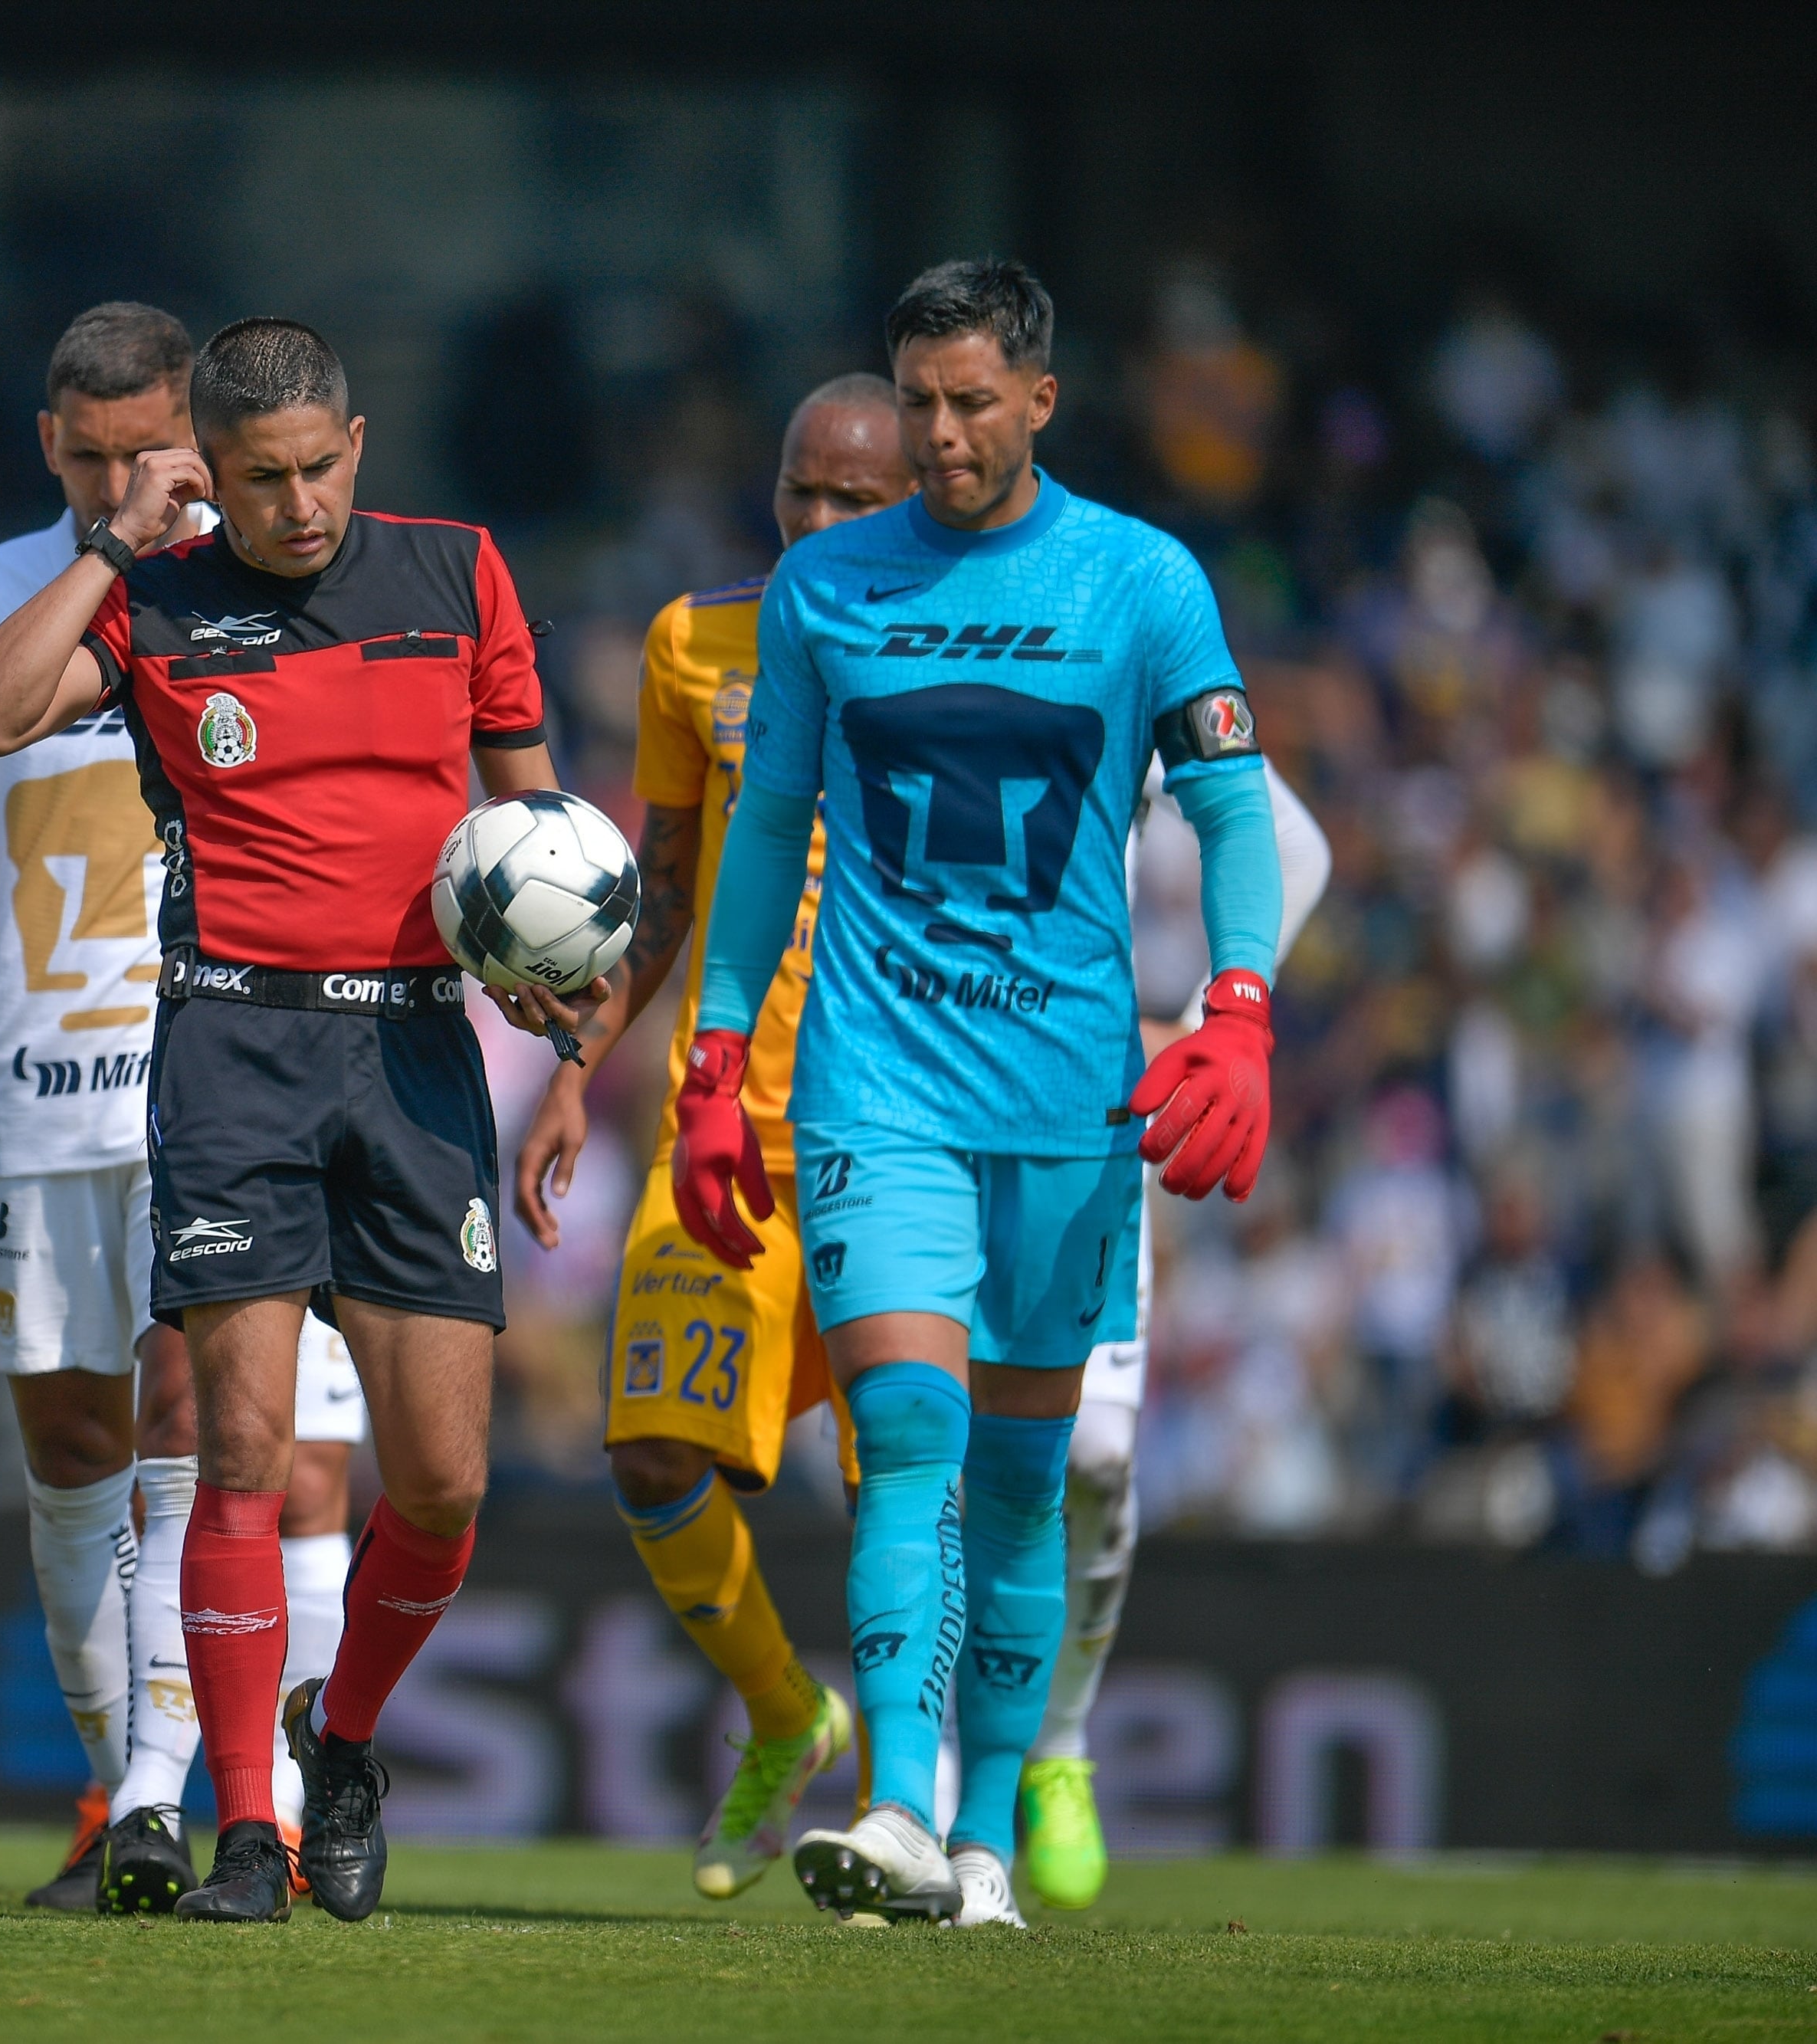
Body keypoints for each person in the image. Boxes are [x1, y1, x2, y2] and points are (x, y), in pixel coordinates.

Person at [0, 317, 596, 1924]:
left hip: (415, 1058)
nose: (297, 504)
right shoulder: (162, 603)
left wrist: (547, 1003)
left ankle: (346, 1734)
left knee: (440, 1480)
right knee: (233, 1448)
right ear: (210, 476)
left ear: (356, 446)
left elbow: (529, 825)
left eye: (318, 467)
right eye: (259, 479)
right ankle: (250, 1825)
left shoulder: (457, 575)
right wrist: (113, 544)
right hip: (231, 1045)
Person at [680, 259, 1281, 1928]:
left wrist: (1235, 1009)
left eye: (966, 405)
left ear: (1037, 400)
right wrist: (718, 1061)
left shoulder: (1140, 581)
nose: (937, 437)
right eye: (915, 402)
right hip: (877, 1078)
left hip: (1067, 1092)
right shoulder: (825, 588)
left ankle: (988, 1841)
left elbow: (1231, 812)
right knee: (902, 1433)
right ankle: (892, 1801)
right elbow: (764, 835)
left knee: (1022, 1479)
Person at [0, 302, 365, 1914]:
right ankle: (125, 1781)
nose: (128, 478)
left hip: (221, 1069)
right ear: (50, 448)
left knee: (213, 1430)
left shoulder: (261, 581)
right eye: (94, 453)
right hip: (29, 1086)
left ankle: (221, 1787)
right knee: (73, 1448)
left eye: (152, 449)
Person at [513, 372, 912, 1899]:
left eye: (851, 497)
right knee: (646, 1451)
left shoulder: (965, 644)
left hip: (904, 1131)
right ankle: (777, 1706)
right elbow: (665, 888)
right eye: (796, 491)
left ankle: (902, 1822)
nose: (814, 519)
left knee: (902, 1485)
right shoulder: (695, 644)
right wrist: (576, 1063)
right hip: (721, 1128)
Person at [1018, 744, 1329, 1908]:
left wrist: (1203, 1020)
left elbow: (1290, 845)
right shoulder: (892, 621)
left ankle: (1060, 1746)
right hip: (932, 1096)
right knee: (920, 1443)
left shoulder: (1130, 628)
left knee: (1093, 1455)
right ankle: (924, 1774)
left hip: (1085, 1120)